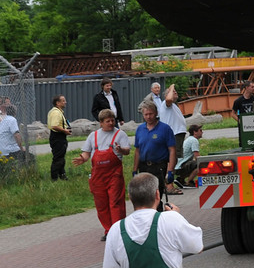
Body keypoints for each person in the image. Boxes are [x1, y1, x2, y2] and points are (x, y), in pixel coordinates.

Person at [102, 172, 203, 268]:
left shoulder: (116, 230)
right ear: (157, 194)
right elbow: (198, 247)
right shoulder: (170, 219)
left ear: (130, 197)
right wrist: (177, 216)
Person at [73, 109, 132, 240]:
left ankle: (117, 231)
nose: (111, 123)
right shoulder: (93, 136)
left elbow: (127, 151)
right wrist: (83, 158)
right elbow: (87, 153)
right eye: (108, 121)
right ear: (101, 123)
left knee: (115, 202)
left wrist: (121, 150)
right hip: (98, 177)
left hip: (114, 175)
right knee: (101, 205)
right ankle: (108, 230)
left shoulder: (120, 134)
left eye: (112, 120)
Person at [134, 101, 177, 207]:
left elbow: (172, 150)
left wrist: (170, 170)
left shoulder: (165, 129)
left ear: (156, 113)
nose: (148, 117)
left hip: (159, 167)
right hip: (144, 167)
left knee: (155, 196)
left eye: (151, 114)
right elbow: (137, 151)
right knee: (144, 196)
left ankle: (157, 218)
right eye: (146, 114)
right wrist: (135, 169)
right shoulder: (140, 129)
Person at [47, 94, 71, 181]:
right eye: (63, 101)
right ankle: (54, 178)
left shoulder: (57, 111)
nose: (65, 102)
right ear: (57, 103)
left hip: (59, 136)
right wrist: (65, 131)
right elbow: (55, 126)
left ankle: (62, 175)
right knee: (58, 158)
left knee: (61, 157)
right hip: (57, 137)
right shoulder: (56, 113)